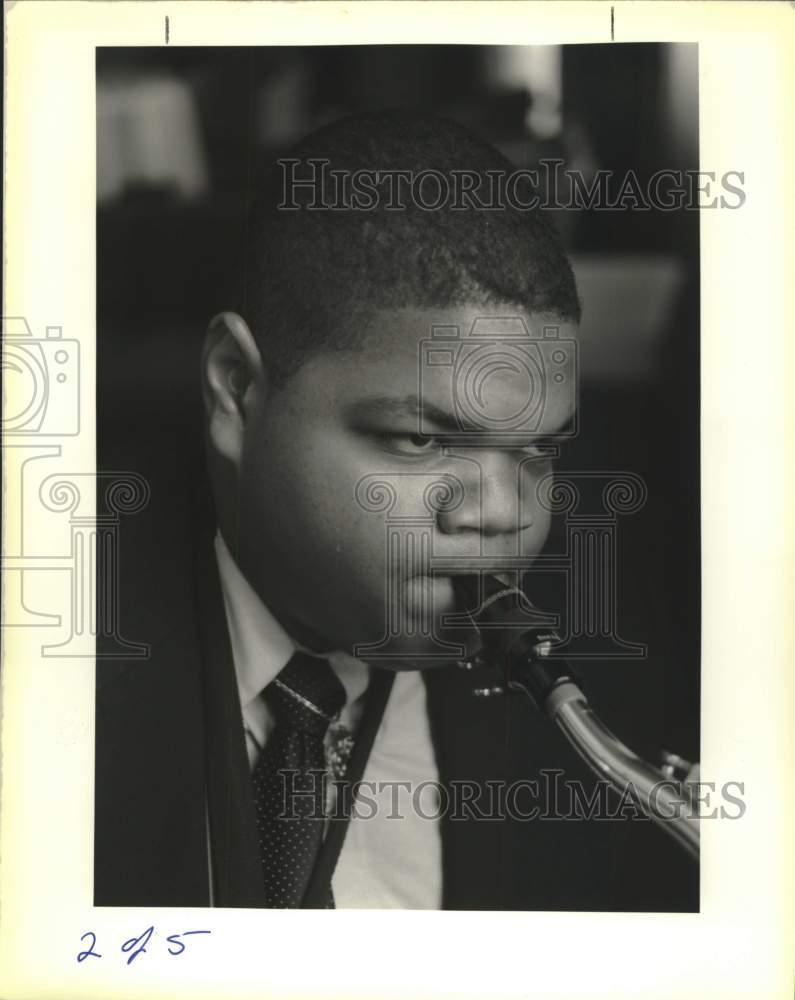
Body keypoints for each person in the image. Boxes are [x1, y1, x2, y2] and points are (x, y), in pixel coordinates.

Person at [95, 110, 697, 911]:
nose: (501, 514)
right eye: (418, 440)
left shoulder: (623, 703)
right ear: (235, 387)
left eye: (539, 451)